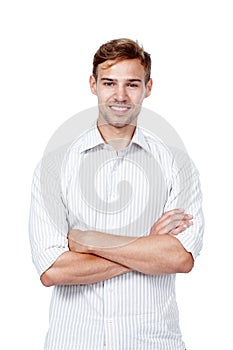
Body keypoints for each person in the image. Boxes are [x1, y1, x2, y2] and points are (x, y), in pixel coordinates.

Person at [29, 38, 204, 350]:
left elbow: (179, 257)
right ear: (93, 84)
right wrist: (147, 247)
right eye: (110, 83)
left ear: (148, 87)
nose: (120, 95)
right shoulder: (54, 166)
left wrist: (88, 241)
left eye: (132, 84)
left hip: (152, 342)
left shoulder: (178, 164)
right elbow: (52, 269)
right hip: (74, 341)